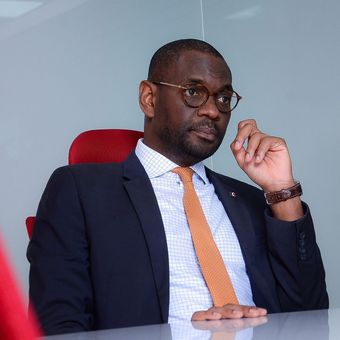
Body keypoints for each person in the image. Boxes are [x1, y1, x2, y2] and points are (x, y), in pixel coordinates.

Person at [27, 39, 328, 335]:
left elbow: (311, 313)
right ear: (149, 98)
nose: (213, 111)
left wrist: (282, 190)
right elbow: (58, 326)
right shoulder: (81, 191)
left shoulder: (251, 200)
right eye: (194, 92)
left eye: (223, 98)